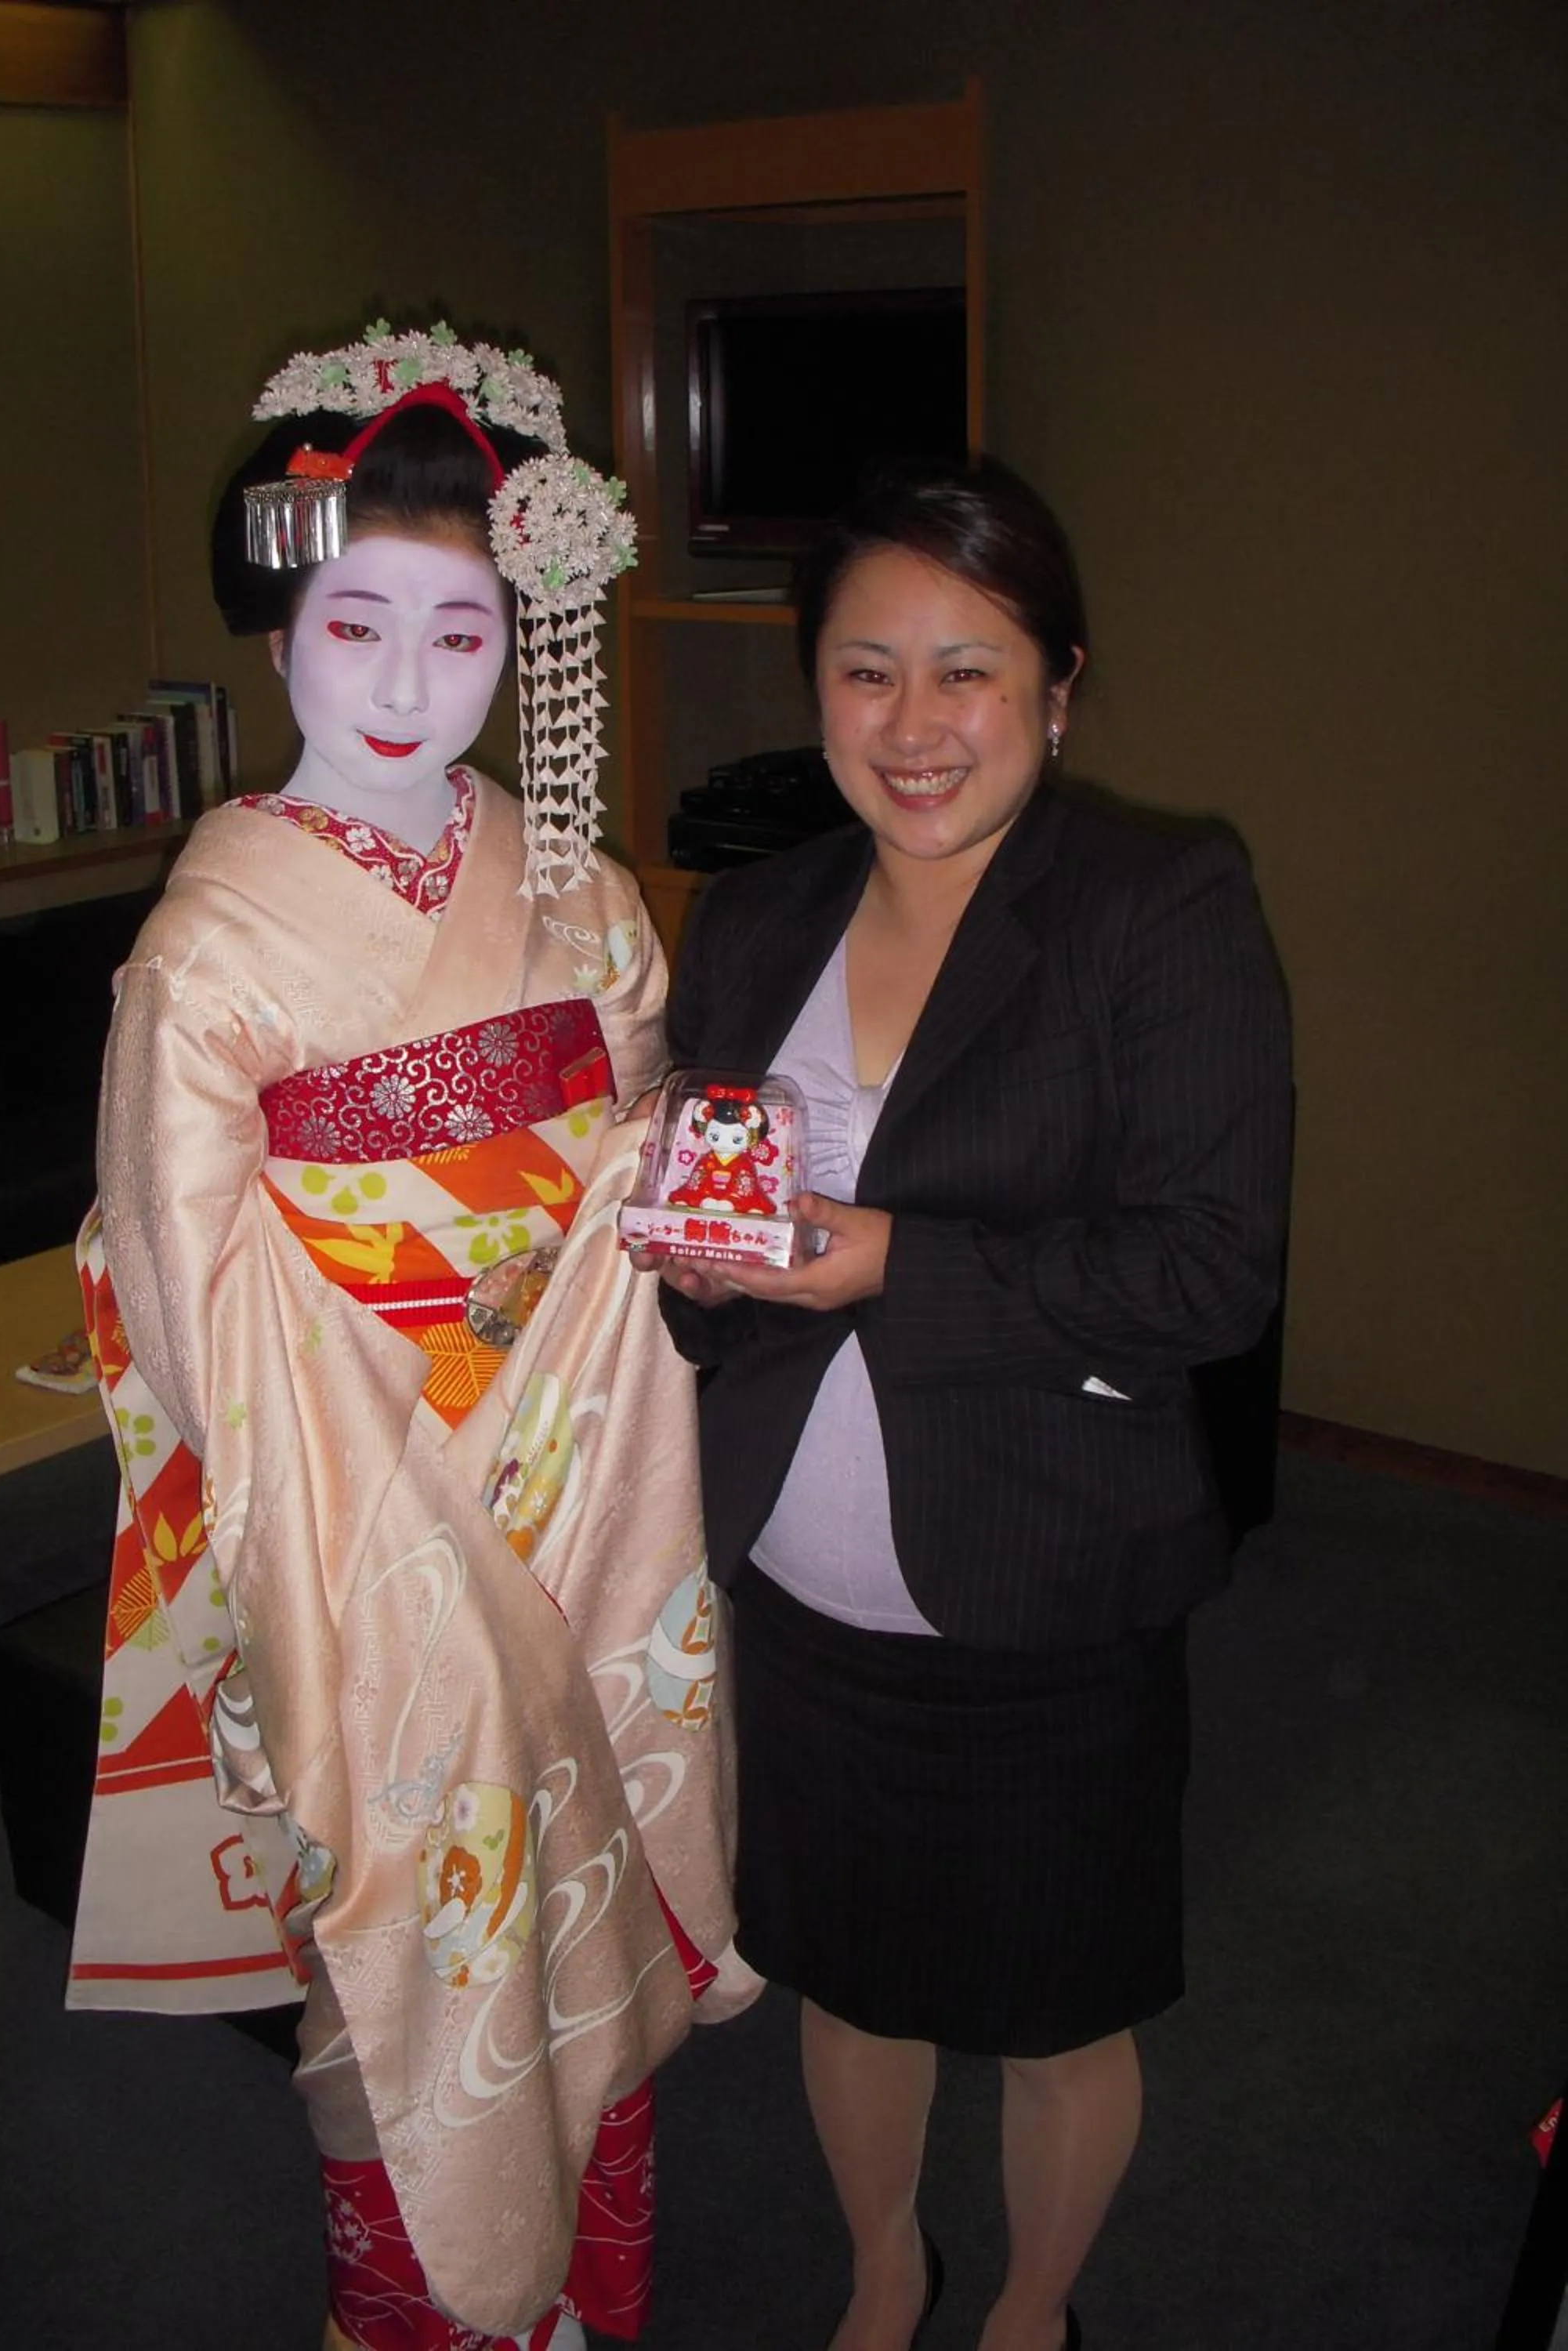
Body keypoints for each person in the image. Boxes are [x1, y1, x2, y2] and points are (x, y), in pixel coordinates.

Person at [69, 320, 748, 2351]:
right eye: (356, 628)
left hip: (582, 1457)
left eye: (463, 638)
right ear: (280, 629)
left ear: (518, 646)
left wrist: (664, 1186)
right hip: (352, 1503)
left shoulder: (574, 885)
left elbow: (630, 1112)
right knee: (411, 1918)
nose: (403, 687)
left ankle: (587, 2296)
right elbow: (190, 1292)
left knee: (587, 1851)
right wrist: (403, 1456)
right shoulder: (208, 946)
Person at [650, 457, 1292, 2351]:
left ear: (1058, 688)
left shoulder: (1158, 904)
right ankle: (884, 2273)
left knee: (1053, 2012)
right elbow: (717, 1240)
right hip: (803, 1584)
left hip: (1043, 1589)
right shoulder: (755, 916)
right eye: (867, 672)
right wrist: (702, 1273)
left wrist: (890, 1265)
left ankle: (1031, 2310)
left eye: (968, 671)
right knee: (849, 1977)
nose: (913, 725)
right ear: (816, 690)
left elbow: (1209, 1271)